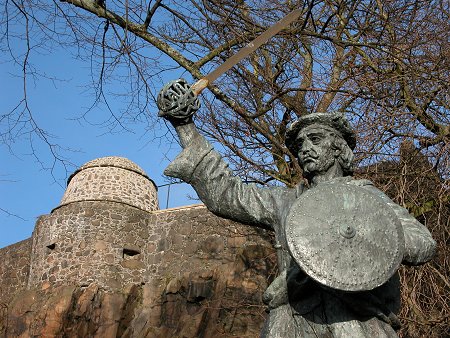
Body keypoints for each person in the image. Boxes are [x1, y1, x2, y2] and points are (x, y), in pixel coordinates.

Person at [157, 82, 436, 337]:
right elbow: (227, 194)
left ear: (338, 148)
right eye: (300, 144)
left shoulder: (367, 199)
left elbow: (422, 243)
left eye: (315, 139)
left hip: (357, 322)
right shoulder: (285, 202)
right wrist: (186, 127)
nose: (305, 149)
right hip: (292, 322)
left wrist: (367, 232)